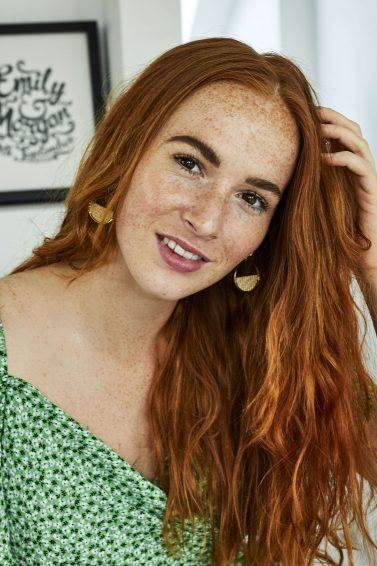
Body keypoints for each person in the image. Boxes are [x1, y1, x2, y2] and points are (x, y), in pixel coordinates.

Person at [0, 36, 376, 565]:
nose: (207, 220)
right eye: (190, 163)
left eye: (252, 198)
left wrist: (370, 263)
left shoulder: (245, 359)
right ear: (128, 148)